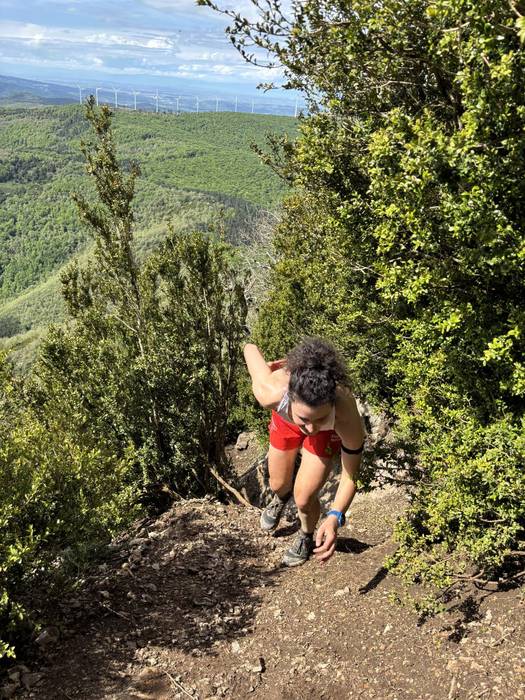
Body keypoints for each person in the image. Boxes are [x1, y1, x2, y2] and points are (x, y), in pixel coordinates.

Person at [243, 337, 365, 566]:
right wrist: (264, 370)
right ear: (289, 396)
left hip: (327, 433)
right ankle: (280, 497)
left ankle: (306, 535)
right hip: (284, 419)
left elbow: (351, 473)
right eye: (304, 419)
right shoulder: (269, 392)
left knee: (304, 497)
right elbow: (249, 348)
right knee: (278, 483)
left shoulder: (345, 413)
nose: (311, 428)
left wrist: (335, 516)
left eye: (320, 417)